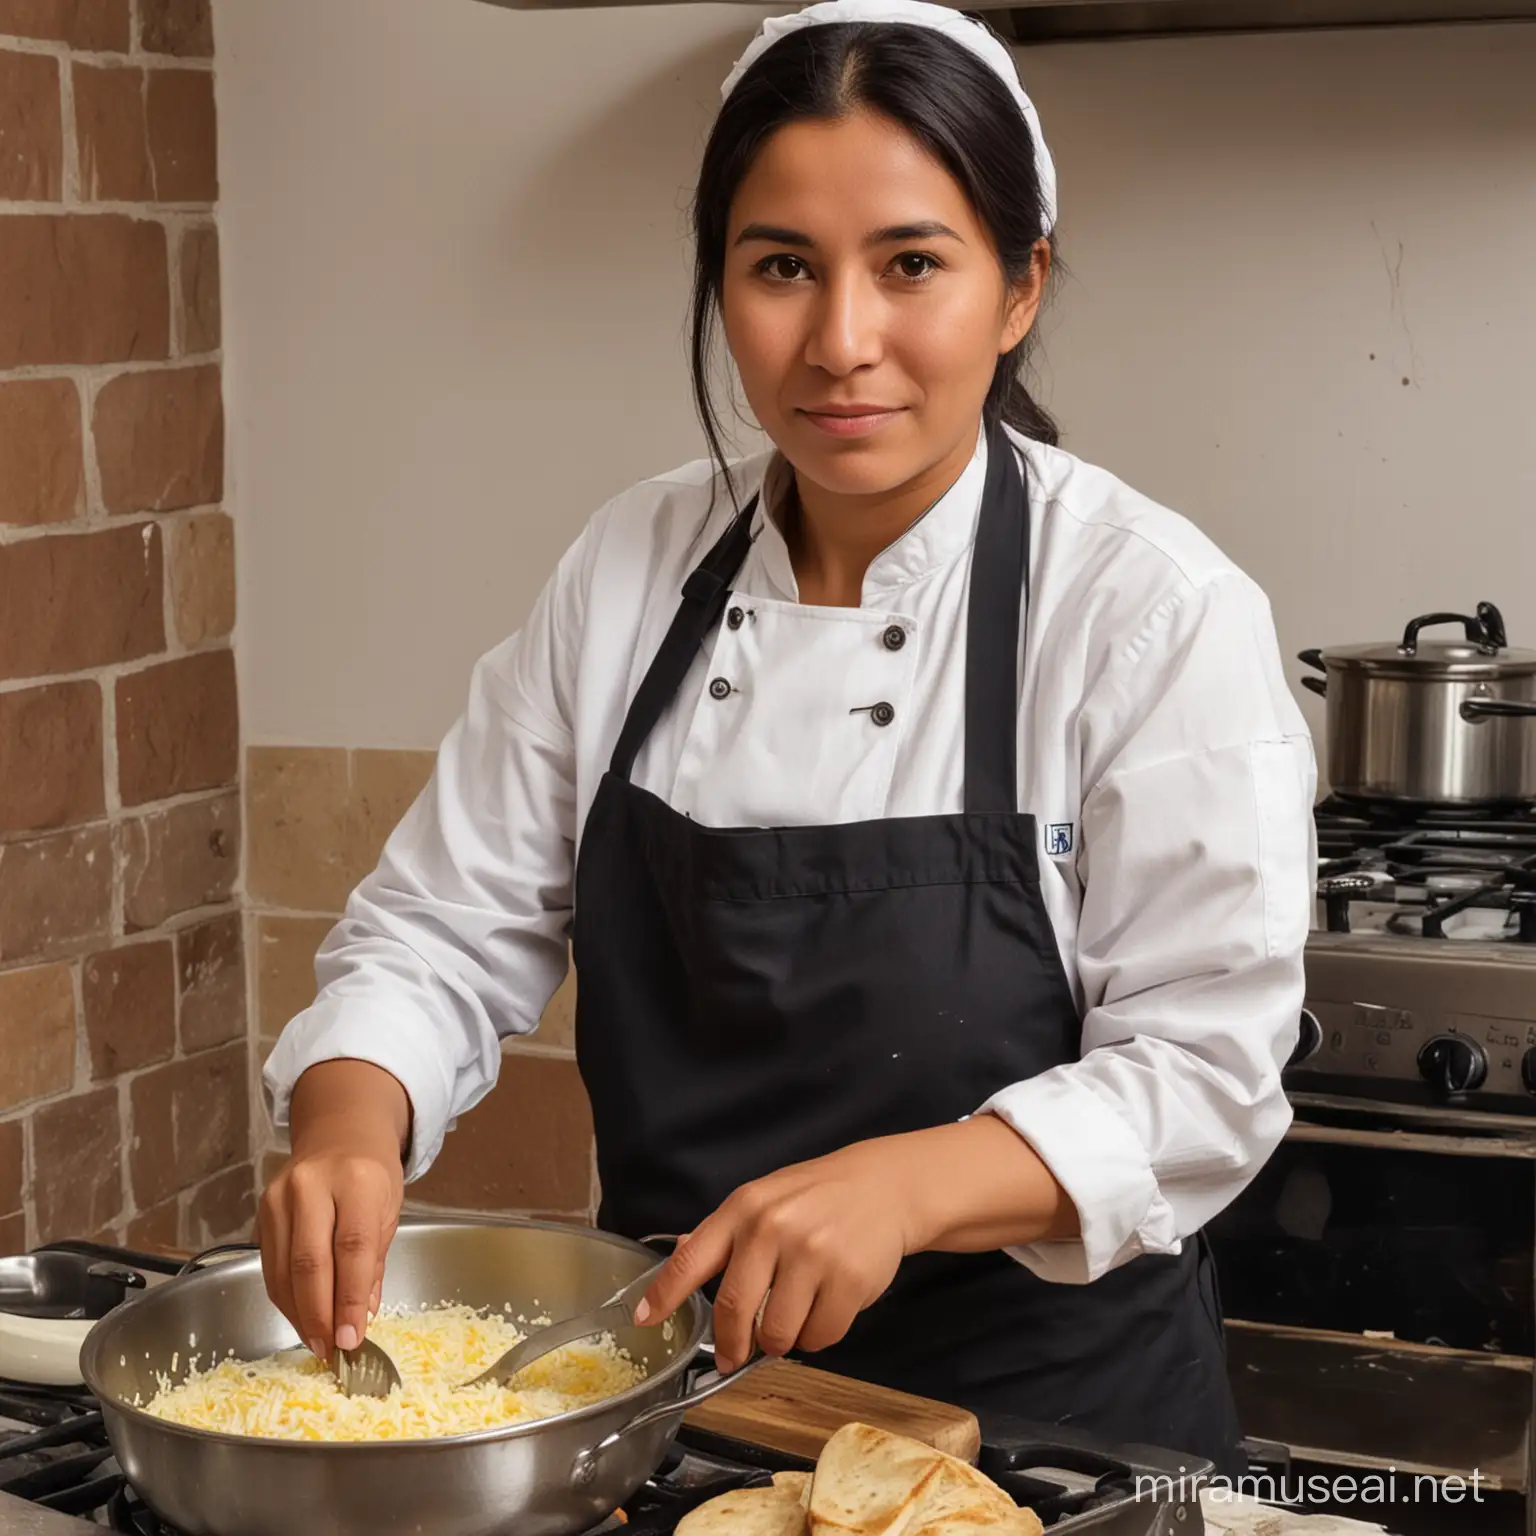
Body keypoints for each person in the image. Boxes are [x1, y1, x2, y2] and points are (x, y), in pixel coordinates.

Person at [259, 0, 1317, 1475]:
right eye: (780, 269)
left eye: (912, 266)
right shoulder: (631, 566)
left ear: (1020, 289)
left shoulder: (1147, 608)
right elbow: (443, 925)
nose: (841, 342)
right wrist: (348, 1121)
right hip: (676, 1419)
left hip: (1048, 1449)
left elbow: (1207, 1073)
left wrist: (903, 1188)